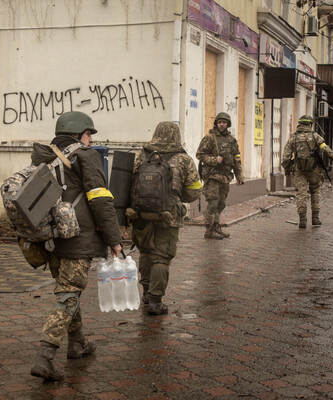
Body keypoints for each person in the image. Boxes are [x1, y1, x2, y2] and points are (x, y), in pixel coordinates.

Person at [29, 111, 123, 382]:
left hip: (49, 238)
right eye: (89, 133)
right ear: (78, 133)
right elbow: (100, 199)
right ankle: (44, 357)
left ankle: (78, 342)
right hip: (78, 239)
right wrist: (114, 240)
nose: (91, 139)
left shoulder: (44, 155)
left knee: (69, 290)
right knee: (68, 295)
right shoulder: (85, 155)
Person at [127, 121, 202, 315]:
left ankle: (145, 293)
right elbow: (194, 191)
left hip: (140, 214)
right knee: (161, 257)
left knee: (145, 252)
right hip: (168, 216)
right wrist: (177, 196)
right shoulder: (183, 160)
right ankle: (155, 301)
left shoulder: (141, 155)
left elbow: (127, 184)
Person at [281, 115, 333, 228]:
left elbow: (286, 157)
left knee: (301, 194)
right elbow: (327, 150)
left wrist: (287, 170)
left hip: (299, 171)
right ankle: (315, 219)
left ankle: (303, 220)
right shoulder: (316, 137)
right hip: (314, 170)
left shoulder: (293, 138)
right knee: (315, 192)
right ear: (310, 124)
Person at [196, 112, 244, 239]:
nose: (222, 124)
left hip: (225, 177)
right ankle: (209, 230)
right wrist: (213, 160)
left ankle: (216, 226)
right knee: (212, 204)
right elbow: (200, 154)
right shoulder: (210, 138)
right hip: (212, 177)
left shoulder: (232, 140)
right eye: (219, 122)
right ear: (216, 124)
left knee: (221, 204)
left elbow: (236, 158)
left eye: (224, 122)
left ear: (228, 124)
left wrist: (239, 176)